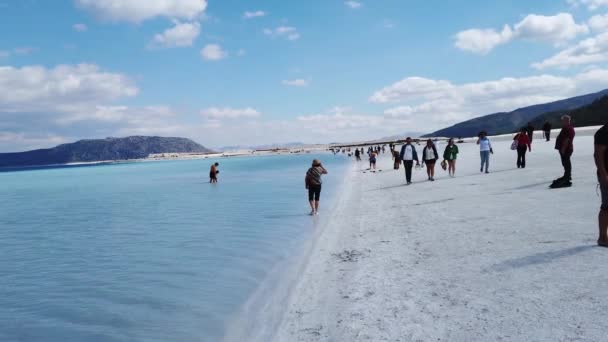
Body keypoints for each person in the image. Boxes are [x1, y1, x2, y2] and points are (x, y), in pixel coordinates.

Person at [595, 124, 608, 247]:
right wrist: (604, 174)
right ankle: (603, 237)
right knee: (606, 206)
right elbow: (598, 155)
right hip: (607, 174)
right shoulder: (603, 132)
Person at [553, 115, 575, 186]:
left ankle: (567, 176)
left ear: (566, 120)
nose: (562, 122)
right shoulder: (566, 128)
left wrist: (563, 149)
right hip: (566, 149)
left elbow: (567, 140)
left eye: (563, 120)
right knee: (565, 162)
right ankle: (567, 175)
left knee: (566, 162)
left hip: (566, 149)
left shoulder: (568, 128)